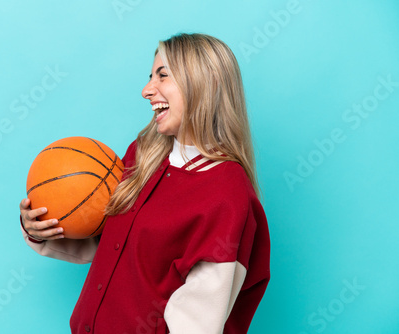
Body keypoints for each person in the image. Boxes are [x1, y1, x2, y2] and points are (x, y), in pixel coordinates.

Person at [19, 32, 270, 334]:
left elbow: (197, 322)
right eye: (150, 76)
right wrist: (41, 229)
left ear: (203, 84)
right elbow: (110, 243)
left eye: (162, 76)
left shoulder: (227, 195)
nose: (146, 90)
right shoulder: (142, 154)